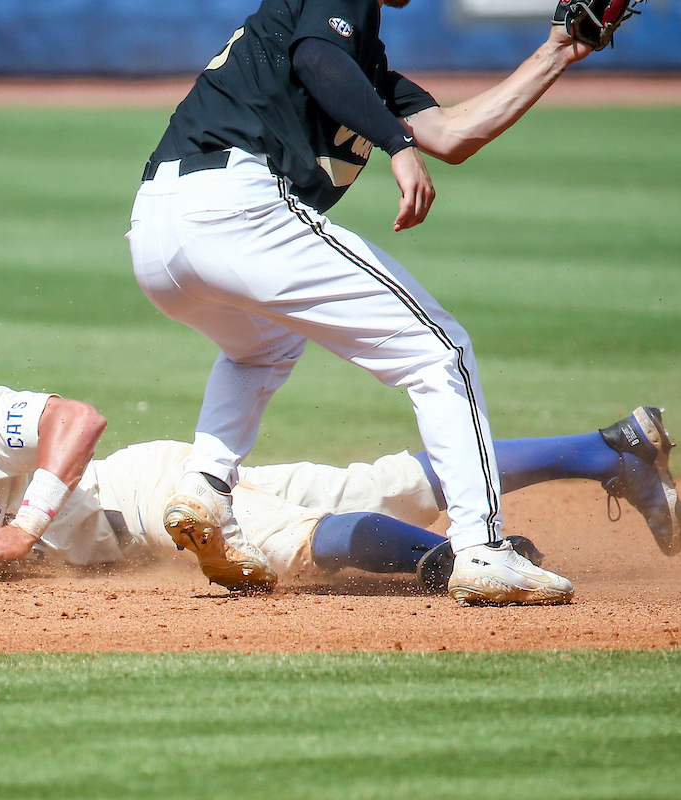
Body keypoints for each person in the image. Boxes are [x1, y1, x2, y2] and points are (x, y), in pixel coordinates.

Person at [0, 283, 681, 602]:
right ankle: (607, 450)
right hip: (135, 487)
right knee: (386, 478)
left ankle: (459, 562)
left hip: (148, 502)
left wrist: (22, 528)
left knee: (287, 545)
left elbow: (73, 420)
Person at [125, 0, 614, 604]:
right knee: (440, 353)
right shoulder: (329, 28)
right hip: (236, 205)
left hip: (156, 231)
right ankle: (483, 550)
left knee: (263, 347)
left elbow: (452, 134)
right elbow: (317, 55)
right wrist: (395, 145)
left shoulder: (363, 66)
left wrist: (560, 49)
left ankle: (204, 488)